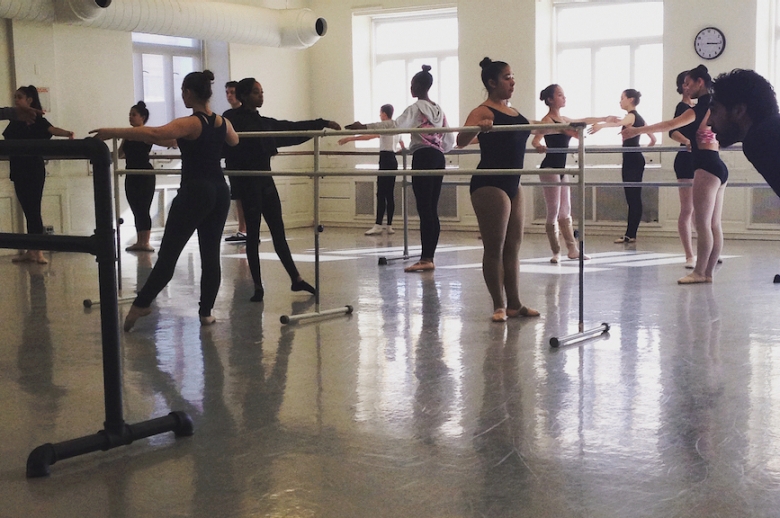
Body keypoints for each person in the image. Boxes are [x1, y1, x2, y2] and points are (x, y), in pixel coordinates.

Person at [91, 70, 239, 330]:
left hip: (196, 191)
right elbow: (234, 141)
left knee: (169, 254)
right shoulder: (221, 122)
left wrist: (109, 131)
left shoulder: (192, 122)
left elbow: (155, 134)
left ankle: (142, 303)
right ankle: (206, 313)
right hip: (220, 190)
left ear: (188, 92)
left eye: (182, 91)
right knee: (210, 254)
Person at [223, 77, 340, 302]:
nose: (261, 95)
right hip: (249, 184)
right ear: (245, 95)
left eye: (262, 91)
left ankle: (295, 278)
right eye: (257, 92)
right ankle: (257, 285)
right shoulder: (231, 120)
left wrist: (320, 123)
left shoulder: (263, 122)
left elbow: (290, 129)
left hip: (265, 183)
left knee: (278, 233)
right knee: (253, 235)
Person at [622, 65, 727, 284]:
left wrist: (637, 131)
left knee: (703, 223)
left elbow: (671, 125)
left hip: (706, 166)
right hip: (718, 165)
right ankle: (707, 273)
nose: (685, 88)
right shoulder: (717, 104)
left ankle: (700, 272)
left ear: (700, 82)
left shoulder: (700, 107)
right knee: (713, 224)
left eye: (688, 83)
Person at [347, 65, 455, 272]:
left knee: (425, 209)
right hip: (438, 157)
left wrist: (365, 127)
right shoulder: (439, 110)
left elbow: (394, 125)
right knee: (432, 209)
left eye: (413, 84)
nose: (411, 88)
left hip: (423, 157)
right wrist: (437, 147)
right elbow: (448, 140)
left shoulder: (416, 108)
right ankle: (429, 256)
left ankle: (426, 259)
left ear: (420, 86)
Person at [456, 57, 540, 322]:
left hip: (513, 183)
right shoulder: (484, 110)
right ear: (492, 83)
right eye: (506, 77)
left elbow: (530, 126)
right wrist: (478, 128)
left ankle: (515, 303)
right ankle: (499, 305)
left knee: (513, 247)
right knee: (495, 247)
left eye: (512, 76)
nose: (512, 81)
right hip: (490, 183)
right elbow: (460, 140)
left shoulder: (514, 112)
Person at [531, 84, 615, 263]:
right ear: (550, 100)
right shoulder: (547, 121)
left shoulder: (564, 119)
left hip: (562, 169)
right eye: (560, 95)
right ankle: (556, 251)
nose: (564, 97)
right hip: (550, 168)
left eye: (564, 94)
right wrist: (539, 146)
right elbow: (536, 138)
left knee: (565, 211)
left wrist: (604, 118)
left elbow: (583, 119)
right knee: (553, 210)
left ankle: (572, 249)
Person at [4, 85, 74, 264]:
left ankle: (39, 250)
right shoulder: (15, 121)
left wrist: (68, 134)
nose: (16, 100)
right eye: (15, 97)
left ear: (29, 100)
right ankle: (32, 249)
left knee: (34, 210)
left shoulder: (39, 120)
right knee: (28, 210)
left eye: (19, 97)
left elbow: (52, 130)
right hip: (19, 170)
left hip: (33, 170)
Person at [589, 89, 656, 244]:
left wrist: (601, 125)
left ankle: (630, 235)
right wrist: (641, 152)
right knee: (633, 198)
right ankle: (630, 234)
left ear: (630, 99)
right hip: (634, 159)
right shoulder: (639, 117)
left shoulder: (631, 116)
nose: (620, 101)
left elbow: (619, 123)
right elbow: (652, 139)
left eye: (622, 98)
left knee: (633, 198)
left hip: (632, 161)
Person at [708, 69, 780, 196]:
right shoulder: (770, 130)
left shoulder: (759, 140)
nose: (709, 121)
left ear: (738, 111)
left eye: (714, 111)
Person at [338, 104, 404, 236]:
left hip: (385, 159)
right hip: (393, 160)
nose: (379, 116)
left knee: (381, 193)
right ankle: (389, 225)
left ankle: (378, 225)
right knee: (389, 194)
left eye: (380, 113)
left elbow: (369, 136)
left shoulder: (384, 126)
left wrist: (350, 138)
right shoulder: (397, 127)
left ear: (384, 114)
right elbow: (402, 146)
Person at [120, 101, 177, 252]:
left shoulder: (146, 133)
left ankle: (145, 241)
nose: (130, 117)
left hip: (144, 174)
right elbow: (120, 153)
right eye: (129, 115)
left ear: (142, 117)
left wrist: (175, 142)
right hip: (131, 173)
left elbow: (163, 140)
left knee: (143, 208)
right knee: (135, 208)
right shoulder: (128, 135)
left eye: (134, 115)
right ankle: (140, 241)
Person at [669, 71, 698, 269]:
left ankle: (707, 248)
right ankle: (689, 254)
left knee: (702, 209)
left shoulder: (700, 107)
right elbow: (672, 131)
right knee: (687, 208)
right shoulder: (682, 107)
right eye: (686, 83)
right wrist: (687, 141)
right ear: (683, 86)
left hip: (700, 159)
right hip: (686, 160)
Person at [224, 80, 246, 242]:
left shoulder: (246, 113)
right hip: (232, 160)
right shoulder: (227, 116)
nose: (229, 95)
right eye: (227, 92)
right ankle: (242, 229)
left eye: (232, 92)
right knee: (238, 195)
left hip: (245, 160)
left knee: (246, 196)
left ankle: (246, 229)